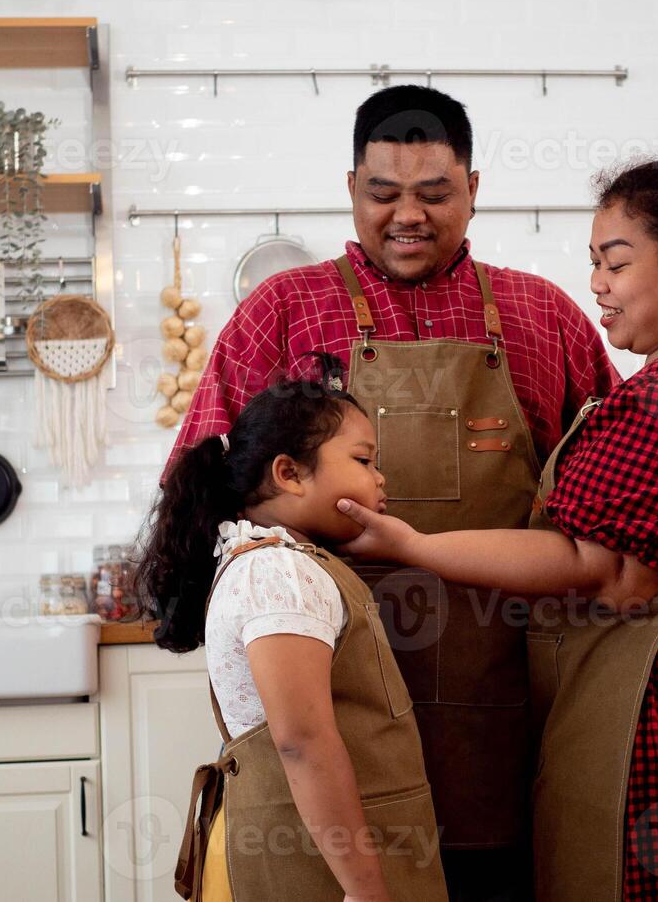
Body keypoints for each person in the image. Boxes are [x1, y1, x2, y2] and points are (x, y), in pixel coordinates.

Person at [333, 160, 658, 900]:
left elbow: (606, 569)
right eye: (593, 264)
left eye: (617, 262)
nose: (597, 284)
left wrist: (411, 545)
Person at [164, 84, 617, 901]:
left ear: (473, 191)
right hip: (332, 711)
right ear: (350, 190)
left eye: (434, 194)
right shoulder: (283, 312)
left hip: (509, 712)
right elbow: (195, 487)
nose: (406, 214)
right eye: (383, 193)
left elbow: (610, 518)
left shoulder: (542, 317)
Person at [135, 354, 448, 902]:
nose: (381, 477)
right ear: (289, 473)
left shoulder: (283, 561)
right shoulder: (279, 572)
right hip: (313, 869)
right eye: (364, 459)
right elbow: (303, 743)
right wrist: (366, 888)